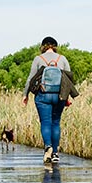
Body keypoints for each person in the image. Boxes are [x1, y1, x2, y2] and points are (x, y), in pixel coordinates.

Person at [23, 36, 78, 164]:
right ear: (55, 46)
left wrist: (25, 94)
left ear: (43, 46)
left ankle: (48, 147)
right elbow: (68, 80)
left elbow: (30, 79)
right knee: (56, 122)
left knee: (45, 122)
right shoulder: (62, 59)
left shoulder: (38, 59)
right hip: (59, 96)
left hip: (43, 95)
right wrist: (67, 98)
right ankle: (55, 153)